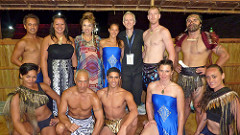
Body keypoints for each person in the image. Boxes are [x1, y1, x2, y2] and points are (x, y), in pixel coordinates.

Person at [174, 14, 230, 127]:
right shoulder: (182, 38)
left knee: (199, 106)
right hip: (183, 75)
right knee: (183, 105)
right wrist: (175, 64)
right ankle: (179, 131)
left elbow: (225, 55)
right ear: (186, 24)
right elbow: (174, 51)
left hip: (200, 77)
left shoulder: (207, 38)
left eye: (195, 20)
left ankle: (200, 132)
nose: (191, 22)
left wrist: (209, 70)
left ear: (200, 24)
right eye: (188, 20)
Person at [3, 63, 60, 135]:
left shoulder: (42, 86)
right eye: (28, 77)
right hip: (31, 123)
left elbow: (58, 99)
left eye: (34, 77)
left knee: (61, 129)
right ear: (21, 75)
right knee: (16, 133)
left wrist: (59, 117)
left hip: (48, 121)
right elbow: (16, 121)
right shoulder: (17, 96)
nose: (31, 80)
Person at [41, 14, 77, 116]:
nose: (59, 26)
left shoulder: (70, 39)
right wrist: (45, 76)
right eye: (57, 24)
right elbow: (43, 59)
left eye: (62, 24)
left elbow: (74, 57)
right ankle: (55, 116)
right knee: (54, 94)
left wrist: (75, 73)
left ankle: (67, 116)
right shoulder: (47, 39)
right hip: (53, 73)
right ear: (53, 25)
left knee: (68, 93)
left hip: (68, 73)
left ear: (65, 25)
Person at [141, 59, 184, 135]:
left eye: (167, 71)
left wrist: (180, 132)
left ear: (172, 72)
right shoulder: (151, 86)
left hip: (171, 125)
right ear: (157, 71)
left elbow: (181, 113)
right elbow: (148, 103)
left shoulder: (177, 89)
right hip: (156, 122)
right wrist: (151, 119)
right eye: (161, 71)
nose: (164, 74)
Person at [194, 64, 240, 135]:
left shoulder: (231, 97)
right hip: (207, 131)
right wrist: (197, 132)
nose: (210, 80)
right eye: (208, 77)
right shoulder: (209, 94)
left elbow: (238, 123)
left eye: (214, 77)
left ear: (223, 76)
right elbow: (205, 116)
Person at [56, 69, 104, 135]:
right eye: (80, 81)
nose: (82, 85)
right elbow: (61, 113)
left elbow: (100, 119)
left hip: (87, 123)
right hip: (71, 121)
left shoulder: (93, 97)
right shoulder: (67, 93)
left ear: (88, 81)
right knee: (60, 128)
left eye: (85, 81)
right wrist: (68, 124)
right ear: (75, 80)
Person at [142, 6, 175, 91]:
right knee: (148, 92)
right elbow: (145, 52)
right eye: (150, 14)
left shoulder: (164, 31)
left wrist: (169, 71)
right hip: (144, 67)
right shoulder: (145, 34)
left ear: (159, 16)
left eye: (155, 14)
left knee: (158, 93)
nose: (153, 16)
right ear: (148, 17)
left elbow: (172, 52)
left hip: (157, 67)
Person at [97, 67, 138, 135]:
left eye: (116, 77)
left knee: (134, 119)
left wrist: (124, 127)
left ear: (120, 78)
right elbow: (96, 111)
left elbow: (134, 111)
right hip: (109, 123)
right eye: (111, 77)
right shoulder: (100, 93)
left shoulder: (126, 94)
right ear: (107, 78)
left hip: (122, 121)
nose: (113, 80)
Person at [118, 11, 145, 114]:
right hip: (125, 68)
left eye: (130, 20)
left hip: (138, 68)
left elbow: (147, 46)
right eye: (126, 20)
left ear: (134, 22)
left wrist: (143, 54)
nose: (128, 22)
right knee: (126, 89)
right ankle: (126, 108)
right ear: (123, 22)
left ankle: (137, 107)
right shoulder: (120, 35)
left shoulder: (140, 33)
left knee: (137, 90)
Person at [75, 12, 103, 92]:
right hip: (82, 74)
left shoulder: (98, 39)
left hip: (96, 74)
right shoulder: (77, 39)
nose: (87, 28)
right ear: (81, 27)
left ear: (93, 27)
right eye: (84, 25)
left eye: (89, 25)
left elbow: (101, 56)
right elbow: (75, 57)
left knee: (96, 98)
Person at [11, 14, 43, 82]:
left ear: (38, 26)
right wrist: (29, 68)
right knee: (29, 92)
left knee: (41, 92)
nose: (32, 27)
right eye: (30, 24)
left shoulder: (42, 40)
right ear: (25, 26)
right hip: (28, 74)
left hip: (40, 72)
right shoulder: (23, 42)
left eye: (35, 24)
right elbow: (14, 59)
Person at [100, 23, 124, 88]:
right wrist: (102, 73)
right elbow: (100, 59)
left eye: (116, 30)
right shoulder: (102, 42)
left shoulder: (121, 43)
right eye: (112, 30)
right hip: (106, 70)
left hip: (117, 70)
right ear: (109, 30)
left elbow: (123, 59)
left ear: (118, 31)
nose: (114, 32)